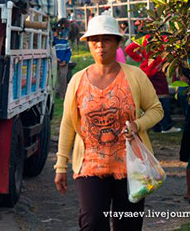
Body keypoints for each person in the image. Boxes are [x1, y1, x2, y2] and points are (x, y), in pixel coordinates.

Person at [54, 15, 164, 231]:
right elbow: (67, 124)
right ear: (88, 44)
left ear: (117, 43)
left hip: (131, 167)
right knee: (92, 222)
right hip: (90, 165)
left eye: (106, 39)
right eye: (94, 40)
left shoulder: (135, 76)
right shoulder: (77, 80)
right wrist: (60, 165)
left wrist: (138, 125)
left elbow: (156, 110)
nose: (100, 46)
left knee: (128, 226)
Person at [126, 34, 180, 134]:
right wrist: (163, 62)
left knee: (150, 98)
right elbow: (173, 52)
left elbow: (128, 49)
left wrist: (140, 59)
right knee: (163, 97)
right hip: (157, 71)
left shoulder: (144, 39)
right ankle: (166, 125)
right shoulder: (163, 38)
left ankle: (156, 126)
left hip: (146, 70)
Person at [53, 19, 72, 99]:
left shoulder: (65, 41)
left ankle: (62, 95)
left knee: (63, 78)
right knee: (54, 78)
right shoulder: (53, 40)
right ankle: (54, 93)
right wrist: (54, 58)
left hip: (63, 62)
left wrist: (65, 60)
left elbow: (69, 52)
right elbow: (51, 50)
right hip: (54, 61)